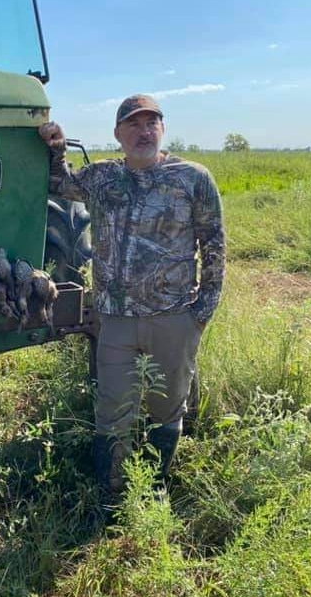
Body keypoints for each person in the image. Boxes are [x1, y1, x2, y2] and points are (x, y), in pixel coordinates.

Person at [39, 94, 225, 506]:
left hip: (174, 319)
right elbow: (58, 184)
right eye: (134, 124)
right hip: (116, 322)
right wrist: (55, 146)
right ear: (117, 134)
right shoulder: (102, 177)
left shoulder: (193, 178)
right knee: (112, 412)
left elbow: (214, 245)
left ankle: (154, 491)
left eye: (151, 123)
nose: (144, 131)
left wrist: (201, 314)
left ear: (162, 129)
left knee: (166, 411)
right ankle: (113, 499)